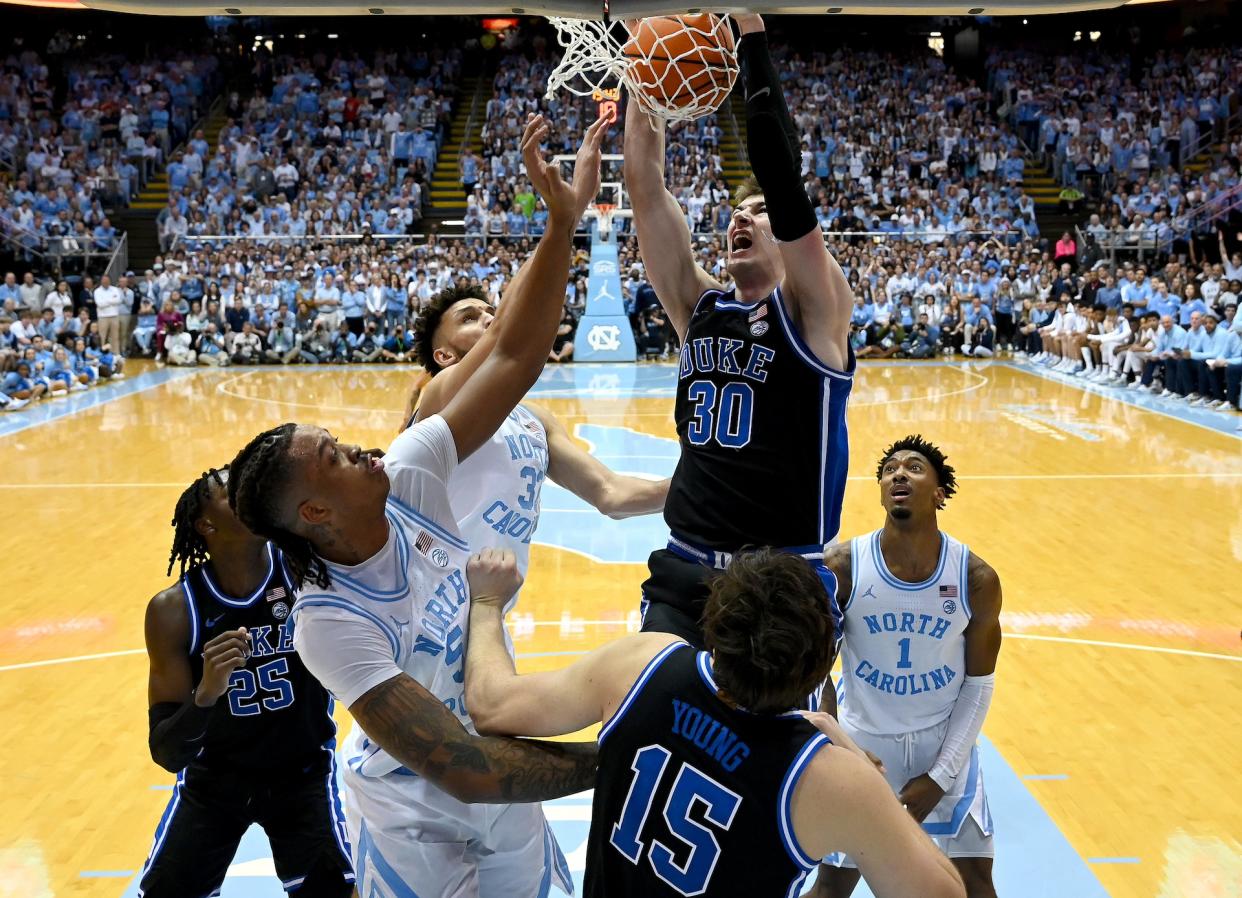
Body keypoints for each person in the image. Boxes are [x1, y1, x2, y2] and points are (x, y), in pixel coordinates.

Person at [226, 115, 602, 897]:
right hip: (416, 805)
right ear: (317, 516)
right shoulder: (328, 622)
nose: (362, 449)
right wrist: (626, 756)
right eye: (334, 458)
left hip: (502, 760)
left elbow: (513, 354)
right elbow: (460, 771)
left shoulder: (412, 470)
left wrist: (562, 223)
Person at [462, 547, 966, 898]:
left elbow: (490, 704)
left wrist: (486, 604)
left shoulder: (643, 663)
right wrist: (858, 762)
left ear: (715, 622)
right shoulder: (831, 779)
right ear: (820, 663)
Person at [623, 14, 853, 648]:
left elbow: (781, 175)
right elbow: (645, 186)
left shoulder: (815, 314)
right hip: (684, 569)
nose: (740, 220)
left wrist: (751, 34)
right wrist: (645, 68)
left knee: (773, 744)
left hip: (779, 578)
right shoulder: (700, 307)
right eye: (734, 213)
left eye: (757, 213)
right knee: (652, 723)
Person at [406, 115, 666, 648]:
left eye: (486, 311)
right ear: (443, 352)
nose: (487, 317)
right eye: (468, 317)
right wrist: (561, 221)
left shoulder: (535, 421)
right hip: (421, 614)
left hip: (484, 620)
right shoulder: (433, 400)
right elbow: (508, 333)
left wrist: (706, 486)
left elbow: (612, 494)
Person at [138, 468, 354, 898]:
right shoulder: (175, 610)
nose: (245, 491)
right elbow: (166, 751)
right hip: (215, 781)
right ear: (207, 524)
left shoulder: (305, 572)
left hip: (303, 772)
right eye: (229, 490)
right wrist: (206, 694)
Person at [812, 436, 1002, 898]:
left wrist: (940, 776)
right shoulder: (842, 567)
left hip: (945, 749)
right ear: (880, 491)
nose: (899, 474)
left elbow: (978, 686)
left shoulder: (975, 578)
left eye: (915, 468)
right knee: (833, 887)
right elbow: (815, 671)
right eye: (890, 469)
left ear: (940, 493)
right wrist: (839, 749)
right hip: (864, 747)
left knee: (974, 883)